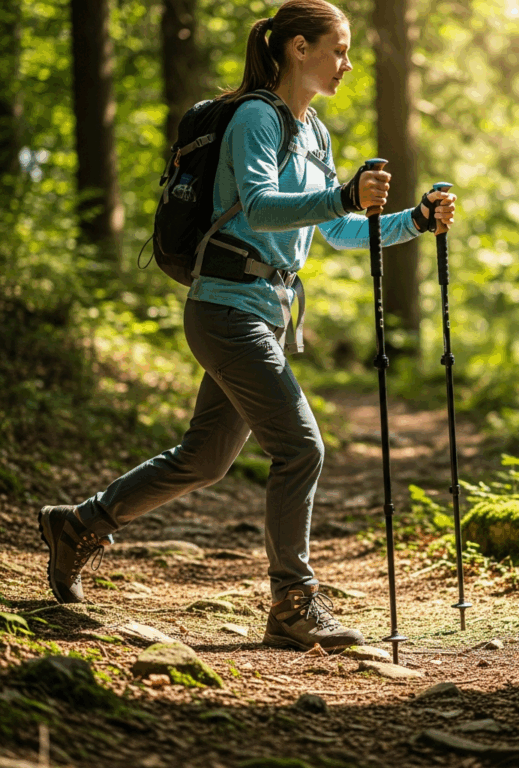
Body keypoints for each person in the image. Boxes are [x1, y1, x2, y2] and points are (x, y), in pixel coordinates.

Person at [38, 0, 456, 652]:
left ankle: (79, 524)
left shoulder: (314, 133)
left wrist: (413, 221)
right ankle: (293, 603)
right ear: (296, 47)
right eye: (337, 49)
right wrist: (343, 193)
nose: (346, 63)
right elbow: (261, 208)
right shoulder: (256, 119)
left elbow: (339, 230)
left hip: (264, 312)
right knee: (302, 448)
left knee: (204, 459)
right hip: (225, 309)